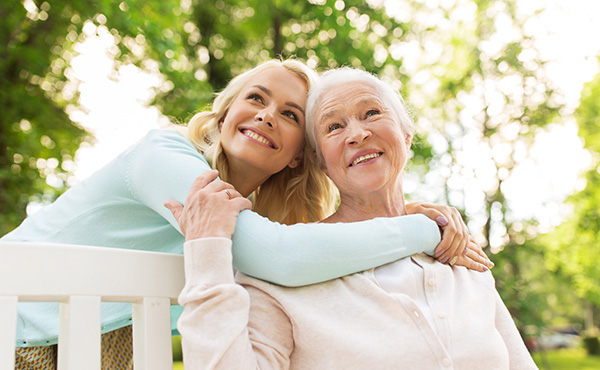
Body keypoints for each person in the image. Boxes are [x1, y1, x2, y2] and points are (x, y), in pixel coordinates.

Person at [2, 59, 491, 369]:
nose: (266, 115)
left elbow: (289, 257)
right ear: (223, 112)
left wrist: (396, 215)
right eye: (256, 98)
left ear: (301, 154)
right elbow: (281, 258)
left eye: (291, 114)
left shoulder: (244, 223)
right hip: (16, 323)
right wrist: (422, 227)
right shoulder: (162, 155)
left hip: (101, 345)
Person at [173, 67, 536, 369]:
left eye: (372, 113)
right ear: (318, 160)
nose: (358, 134)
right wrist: (207, 250)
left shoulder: (459, 255)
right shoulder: (283, 273)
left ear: (407, 137)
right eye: (334, 127)